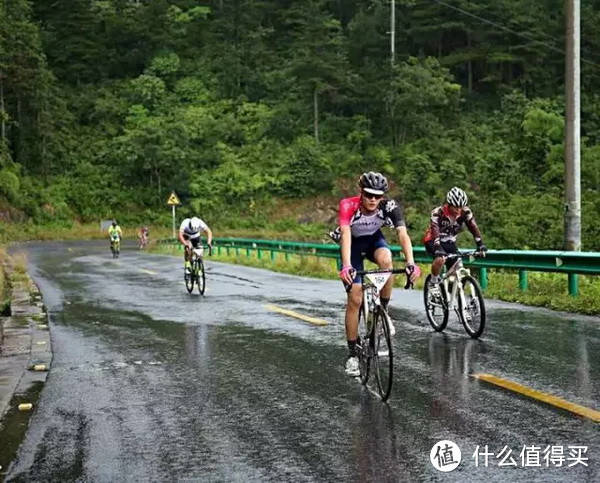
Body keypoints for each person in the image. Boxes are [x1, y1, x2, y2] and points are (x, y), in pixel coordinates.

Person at [334, 172, 421, 377]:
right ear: (360, 192)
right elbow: (346, 234)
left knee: (387, 261)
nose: (373, 199)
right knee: (355, 297)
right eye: (368, 194)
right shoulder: (348, 205)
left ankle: (383, 309)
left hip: (374, 241)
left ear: (383, 196)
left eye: (378, 195)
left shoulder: (389, 207)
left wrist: (411, 263)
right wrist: (346, 265)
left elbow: (402, 234)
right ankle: (353, 354)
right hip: (352, 246)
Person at [423, 187, 488, 292]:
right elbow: (435, 230)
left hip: (449, 241)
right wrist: (438, 248)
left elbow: (473, 227)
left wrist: (480, 243)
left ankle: (450, 291)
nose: (458, 210)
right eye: (456, 207)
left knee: (457, 266)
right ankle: (433, 282)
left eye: (461, 207)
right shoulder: (438, 212)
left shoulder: (465, 212)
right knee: (440, 259)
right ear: (449, 205)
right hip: (433, 240)